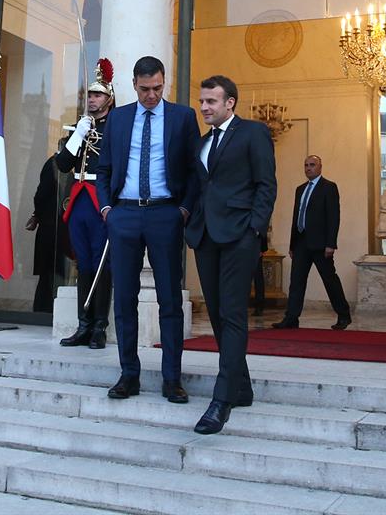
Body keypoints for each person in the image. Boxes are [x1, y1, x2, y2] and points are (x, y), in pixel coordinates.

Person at [95, 56, 201, 404]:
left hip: (165, 215)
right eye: (144, 90)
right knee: (124, 299)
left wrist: (182, 209)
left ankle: (173, 379)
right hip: (123, 215)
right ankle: (129, 375)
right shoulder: (119, 118)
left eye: (157, 88)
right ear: (134, 85)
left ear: (164, 82)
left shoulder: (183, 118)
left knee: (169, 300)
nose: (151, 96)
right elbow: (105, 168)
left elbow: (193, 170)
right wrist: (107, 209)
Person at [185, 75, 277, 435]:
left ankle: (221, 401)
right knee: (218, 317)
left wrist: (255, 228)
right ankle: (242, 387)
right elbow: (201, 187)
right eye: (202, 101)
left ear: (230, 103)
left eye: (211, 101)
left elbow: (266, 184)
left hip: (240, 235)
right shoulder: (203, 143)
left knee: (233, 314)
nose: (205, 107)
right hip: (206, 236)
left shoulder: (253, 133)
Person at [55, 59, 116, 348]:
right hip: (79, 199)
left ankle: (100, 326)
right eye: (90, 95)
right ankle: (83, 324)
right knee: (84, 264)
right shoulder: (79, 127)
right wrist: (77, 135)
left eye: (98, 95)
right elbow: (63, 164)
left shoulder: (115, 127)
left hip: (100, 199)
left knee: (102, 265)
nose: (92, 99)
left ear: (109, 98)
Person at [272, 155, 351, 330]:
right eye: (306, 165)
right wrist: (292, 245)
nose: (308, 168)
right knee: (296, 282)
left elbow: (333, 217)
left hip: (321, 245)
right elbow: (296, 217)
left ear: (320, 167)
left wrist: (331, 243)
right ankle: (291, 318)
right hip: (301, 243)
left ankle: (344, 315)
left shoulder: (329, 187)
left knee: (330, 280)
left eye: (312, 165)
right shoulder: (300, 189)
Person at [25, 148, 69, 314]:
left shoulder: (63, 166)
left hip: (59, 228)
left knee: (53, 275)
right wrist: (38, 214)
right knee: (48, 275)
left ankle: (48, 310)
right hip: (52, 228)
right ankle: (43, 310)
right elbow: (41, 195)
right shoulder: (53, 164)